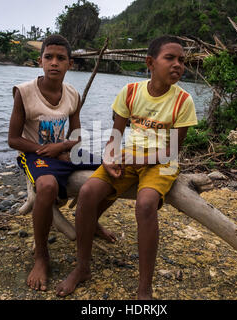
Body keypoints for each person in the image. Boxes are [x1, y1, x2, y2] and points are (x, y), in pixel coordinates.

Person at [56, 35, 198, 299]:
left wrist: (133, 161)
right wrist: (110, 159)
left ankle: (145, 288)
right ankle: (82, 268)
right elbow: (116, 137)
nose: (178, 64)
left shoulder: (183, 101)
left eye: (182, 60)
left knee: (145, 204)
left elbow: (172, 151)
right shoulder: (131, 92)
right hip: (128, 156)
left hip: (162, 163)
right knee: (87, 192)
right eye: (170, 58)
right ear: (150, 63)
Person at [8, 35, 116, 291]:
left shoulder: (73, 94)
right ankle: (41, 256)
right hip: (32, 153)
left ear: (70, 64)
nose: (54, 63)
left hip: (64, 153)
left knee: (116, 172)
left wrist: (63, 147)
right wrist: (46, 149)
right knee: (46, 187)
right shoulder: (24, 92)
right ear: (40, 61)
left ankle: (92, 220)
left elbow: (75, 136)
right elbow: (13, 139)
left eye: (61, 58)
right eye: (49, 57)